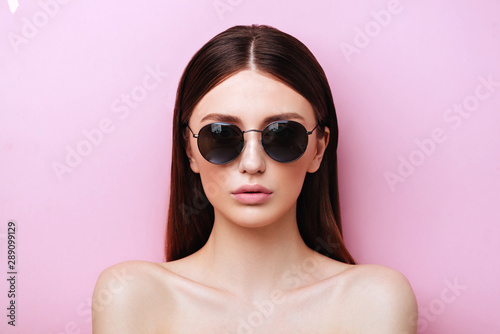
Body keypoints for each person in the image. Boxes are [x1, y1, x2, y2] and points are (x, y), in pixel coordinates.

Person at [92, 24, 418, 333]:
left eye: (282, 134)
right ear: (188, 150)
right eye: (220, 136)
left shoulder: (375, 299)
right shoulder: (132, 295)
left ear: (319, 149)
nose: (252, 163)